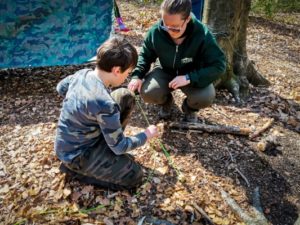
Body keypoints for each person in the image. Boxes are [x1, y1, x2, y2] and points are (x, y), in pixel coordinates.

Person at [54, 36, 158, 190]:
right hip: (77, 155)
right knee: (135, 176)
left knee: (124, 96)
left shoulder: (81, 74)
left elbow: (60, 88)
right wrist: (145, 135)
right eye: (127, 73)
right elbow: (120, 147)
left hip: (68, 145)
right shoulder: (104, 104)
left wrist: (81, 106)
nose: (126, 77)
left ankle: (103, 151)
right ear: (117, 70)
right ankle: (75, 171)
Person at [128, 0, 226, 122]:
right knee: (148, 93)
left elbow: (219, 65)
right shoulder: (156, 32)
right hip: (165, 69)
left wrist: (189, 78)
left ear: (188, 19)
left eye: (175, 28)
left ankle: (189, 109)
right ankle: (166, 102)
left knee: (205, 97)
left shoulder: (202, 34)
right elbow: (145, 55)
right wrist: (137, 76)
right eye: (165, 25)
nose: (169, 31)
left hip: (191, 72)